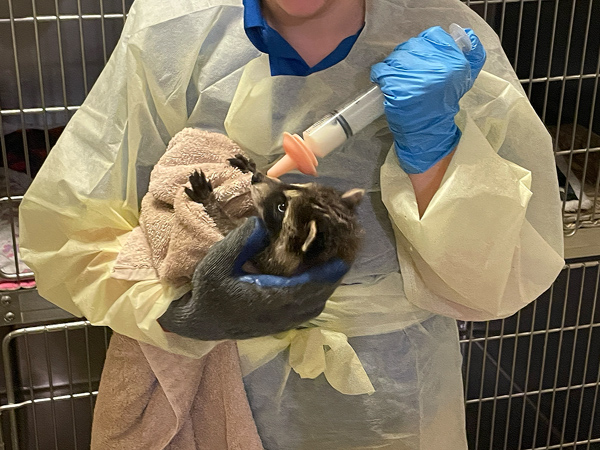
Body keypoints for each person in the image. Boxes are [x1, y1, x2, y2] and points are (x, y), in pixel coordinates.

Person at [19, 0, 565, 448]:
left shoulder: (445, 37)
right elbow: (67, 229)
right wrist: (184, 313)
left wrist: (434, 151)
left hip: (392, 396)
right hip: (219, 384)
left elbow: (496, 279)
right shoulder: (175, 30)